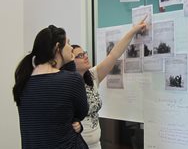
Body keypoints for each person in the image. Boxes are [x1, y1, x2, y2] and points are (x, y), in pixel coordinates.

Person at [72, 18, 147, 149]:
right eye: (79, 55)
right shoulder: (66, 85)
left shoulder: (92, 76)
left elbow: (114, 54)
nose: (85, 56)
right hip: (77, 145)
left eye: (85, 53)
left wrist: (133, 30)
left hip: (96, 144)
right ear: (70, 62)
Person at [13, 25, 89, 149]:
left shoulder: (23, 81)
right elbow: (81, 113)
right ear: (57, 48)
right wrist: (70, 64)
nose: (71, 47)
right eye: (68, 43)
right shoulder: (72, 80)